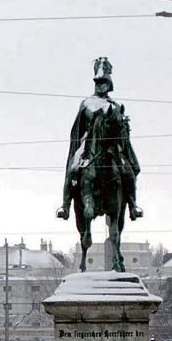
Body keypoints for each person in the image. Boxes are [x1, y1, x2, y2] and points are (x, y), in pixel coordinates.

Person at [56, 57, 143, 222]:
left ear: (109, 84)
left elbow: (121, 131)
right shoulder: (87, 104)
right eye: (98, 82)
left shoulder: (116, 106)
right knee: (73, 169)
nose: (100, 85)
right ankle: (65, 205)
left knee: (128, 171)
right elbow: (77, 130)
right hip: (89, 146)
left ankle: (133, 204)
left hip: (113, 147)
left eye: (103, 82)